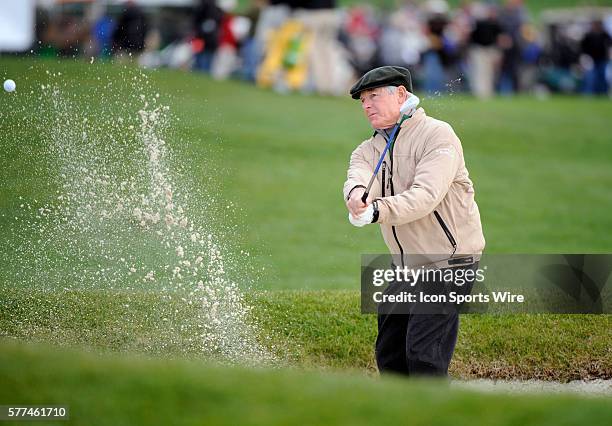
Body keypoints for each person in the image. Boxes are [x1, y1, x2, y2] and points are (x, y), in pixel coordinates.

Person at [343, 66, 485, 377]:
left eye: (374, 96)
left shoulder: (437, 134)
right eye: (362, 100)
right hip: (405, 266)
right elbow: (358, 176)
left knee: (424, 358)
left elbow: (426, 194)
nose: (366, 105)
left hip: (449, 263)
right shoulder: (370, 148)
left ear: (402, 95)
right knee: (390, 356)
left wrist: (377, 210)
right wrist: (356, 196)